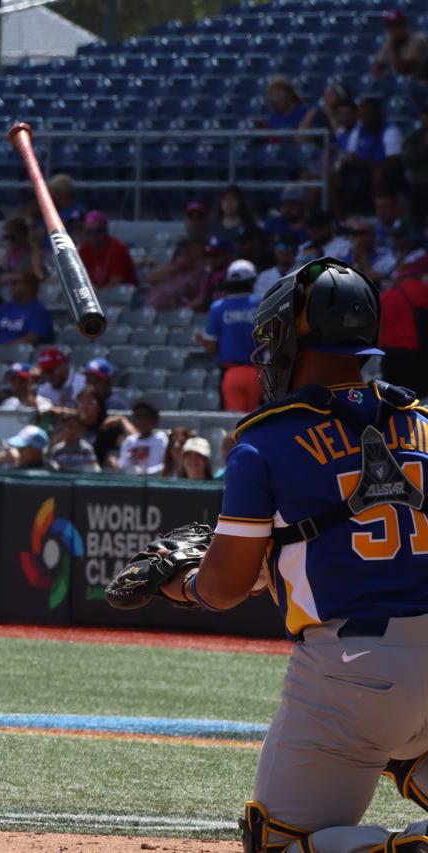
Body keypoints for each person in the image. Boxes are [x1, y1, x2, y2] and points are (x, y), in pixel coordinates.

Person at [150, 257, 428, 852]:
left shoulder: (266, 440)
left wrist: (179, 584)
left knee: (280, 844)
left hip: (352, 670)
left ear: (291, 337)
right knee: (406, 749)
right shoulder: (423, 420)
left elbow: (223, 586)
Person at [204, 259, 263, 413]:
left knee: (233, 426)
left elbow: (210, 347)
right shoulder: (263, 304)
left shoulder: (218, 308)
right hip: (260, 373)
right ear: (252, 281)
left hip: (231, 373)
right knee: (257, 422)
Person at [339, 95, 404, 215]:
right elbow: (351, 155)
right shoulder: (358, 131)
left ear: (376, 114)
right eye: (361, 116)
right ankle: (343, 217)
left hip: (388, 172)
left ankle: (375, 214)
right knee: (334, 177)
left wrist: (364, 163)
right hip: (361, 170)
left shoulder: (390, 131)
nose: (363, 119)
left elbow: (394, 160)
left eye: (366, 116)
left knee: (378, 174)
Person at [379, 272, 428, 395]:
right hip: (417, 353)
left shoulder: (384, 296)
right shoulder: (423, 289)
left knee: (394, 398)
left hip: (390, 354)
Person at [0, 269, 53, 346]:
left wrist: (4, 348)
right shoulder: (4, 307)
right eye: (11, 283)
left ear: (30, 286)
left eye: (15, 283)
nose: (11, 286)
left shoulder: (39, 311)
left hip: (20, 355)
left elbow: (33, 338)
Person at [76, 386, 131, 471]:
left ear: (99, 406)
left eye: (90, 402)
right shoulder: (70, 426)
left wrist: (123, 420)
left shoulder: (109, 427)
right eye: (82, 402)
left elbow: (137, 441)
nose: (85, 406)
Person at [78, 210, 137, 288]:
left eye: (98, 231)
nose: (94, 236)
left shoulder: (118, 249)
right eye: (89, 232)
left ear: (106, 230)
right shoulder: (85, 250)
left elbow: (115, 283)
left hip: (122, 295)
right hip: (97, 293)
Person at [145, 236, 207, 310]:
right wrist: (176, 268)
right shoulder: (175, 263)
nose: (186, 252)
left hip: (179, 311)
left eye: (190, 249)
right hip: (153, 307)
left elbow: (201, 298)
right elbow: (150, 278)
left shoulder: (203, 269)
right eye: (184, 250)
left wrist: (183, 311)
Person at [371, 8, 428, 82]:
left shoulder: (418, 41)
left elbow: (403, 70)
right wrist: (378, 70)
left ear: (404, 24)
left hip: (419, 86)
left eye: (397, 25)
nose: (394, 29)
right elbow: (377, 65)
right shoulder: (390, 41)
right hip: (404, 87)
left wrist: (394, 49)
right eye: (390, 26)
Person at [117, 400, 168, 475]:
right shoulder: (129, 441)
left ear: (154, 419)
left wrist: (144, 472)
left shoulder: (161, 439)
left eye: (145, 416)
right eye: (138, 417)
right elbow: (123, 466)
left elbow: (166, 465)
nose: (141, 421)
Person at [0, 215, 46, 281]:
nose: (8, 241)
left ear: (21, 236)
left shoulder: (34, 252)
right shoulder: (9, 250)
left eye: (12, 238)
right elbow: (0, 267)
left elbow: (39, 275)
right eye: (6, 237)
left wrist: (13, 277)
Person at [403, 100, 428, 226]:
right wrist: (425, 145)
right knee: (416, 220)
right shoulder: (414, 138)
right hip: (420, 184)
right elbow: (408, 159)